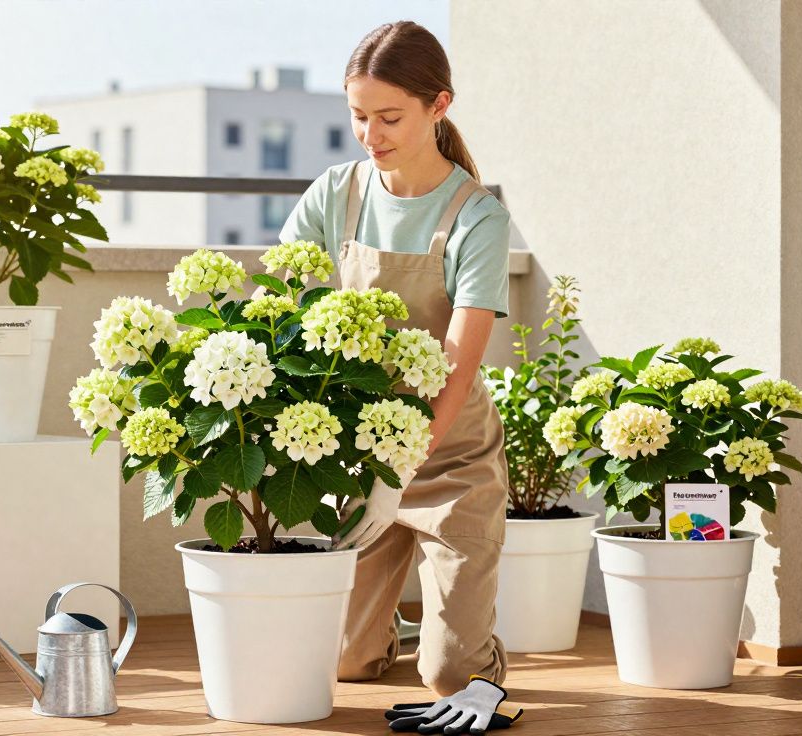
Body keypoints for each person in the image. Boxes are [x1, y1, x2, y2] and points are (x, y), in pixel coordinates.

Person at [278, 20, 511, 698]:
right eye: (358, 116)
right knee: (343, 662)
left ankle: (467, 647)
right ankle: (406, 628)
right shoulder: (335, 194)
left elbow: (458, 365)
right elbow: (283, 311)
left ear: (439, 106)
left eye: (388, 117)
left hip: (451, 459)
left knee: (452, 677)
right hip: (361, 454)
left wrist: (401, 469)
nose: (369, 135)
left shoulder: (477, 218)